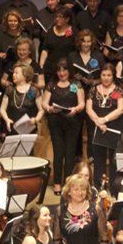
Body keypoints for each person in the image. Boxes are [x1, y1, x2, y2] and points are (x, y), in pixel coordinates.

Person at [43, 59, 86, 195]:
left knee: (70, 153)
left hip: (72, 121)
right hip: (55, 121)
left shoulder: (76, 84)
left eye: (64, 70)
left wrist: (76, 109)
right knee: (58, 152)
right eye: (59, 70)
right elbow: (44, 103)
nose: (62, 73)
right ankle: (57, 184)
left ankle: (68, 183)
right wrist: (49, 109)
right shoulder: (52, 84)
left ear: (69, 71)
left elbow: (82, 103)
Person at [86, 63, 123, 188]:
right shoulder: (93, 89)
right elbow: (89, 109)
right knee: (98, 160)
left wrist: (104, 119)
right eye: (103, 75)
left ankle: (114, 189)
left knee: (114, 160)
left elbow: (121, 109)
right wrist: (98, 122)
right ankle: (99, 189)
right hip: (97, 128)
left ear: (113, 76)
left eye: (109, 75)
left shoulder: (119, 90)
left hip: (114, 128)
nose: (106, 78)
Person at [0, 64, 45, 135]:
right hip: (11, 127)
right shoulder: (10, 89)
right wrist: (6, 119)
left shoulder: (33, 90)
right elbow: (2, 109)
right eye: (13, 73)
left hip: (28, 128)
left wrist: (36, 119)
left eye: (16, 73)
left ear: (25, 75)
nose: (13, 75)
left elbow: (41, 110)